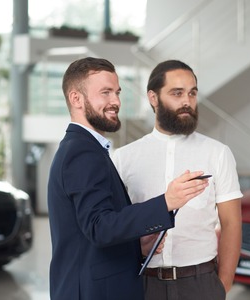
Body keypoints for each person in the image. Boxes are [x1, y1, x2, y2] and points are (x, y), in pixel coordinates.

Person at [47, 57, 209, 300]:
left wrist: (136, 247)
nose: (116, 102)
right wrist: (166, 201)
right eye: (105, 93)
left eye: (117, 92)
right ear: (76, 99)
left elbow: (89, 232)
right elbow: (99, 227)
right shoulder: (81, 152)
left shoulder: (87, 148)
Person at [112, 59, 243, 300]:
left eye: (192, 93)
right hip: (142, 284)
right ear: (153, 98)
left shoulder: (217, 153)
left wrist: (222, 285)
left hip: (201, 284)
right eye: (177, 93)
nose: (187, 101)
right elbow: (116, 226)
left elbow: (231, 223)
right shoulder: (123, 159)